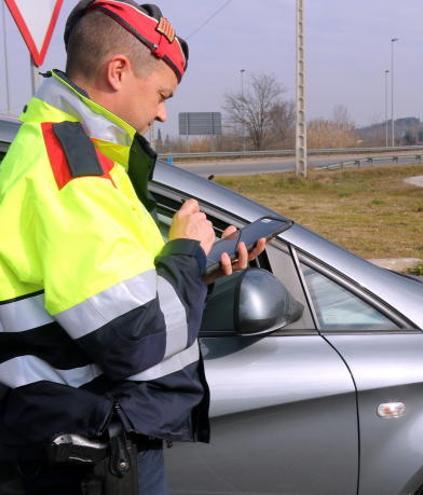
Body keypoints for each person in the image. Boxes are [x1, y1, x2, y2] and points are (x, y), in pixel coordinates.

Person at [0, 1, 263, 493]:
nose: (163, 112)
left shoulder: (80, 156)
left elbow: (110, 289)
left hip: (82, 435)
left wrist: (199, 267)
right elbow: (134, 339)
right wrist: (185, 251)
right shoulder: (71, 168)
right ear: (118, 71)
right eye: (162, 94)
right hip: (86, 452)